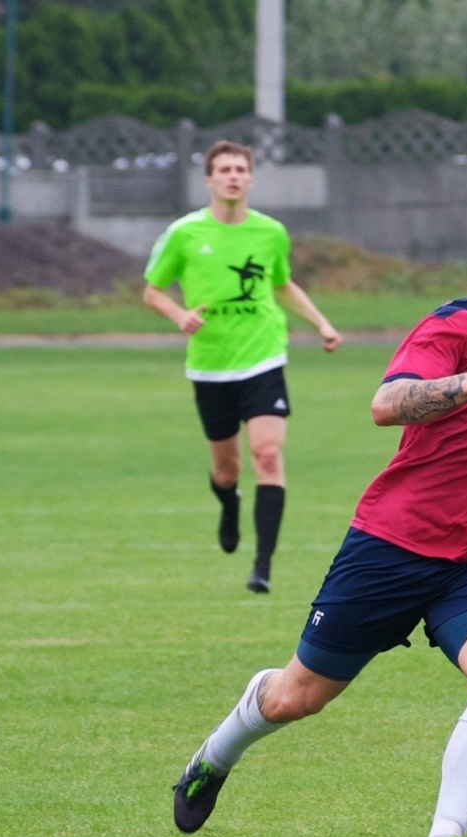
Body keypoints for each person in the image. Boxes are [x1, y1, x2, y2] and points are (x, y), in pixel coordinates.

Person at [171, 211, 467, 837]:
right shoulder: (453, 328)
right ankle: (214, 756)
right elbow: (386, 403)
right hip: (392, 545)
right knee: (295, 698)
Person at [142, 139, 342, 594]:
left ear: (250, 179)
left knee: (268, 455)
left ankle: (262, 566)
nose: (233, 175)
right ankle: (229, 505)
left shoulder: (270, 232)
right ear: (209, 179)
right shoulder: (184, 233)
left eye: (240, 169)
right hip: (211, 366)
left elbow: (282, 284)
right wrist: (179, 315)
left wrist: (320, 321)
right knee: (227, 469)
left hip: (263, 357)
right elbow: (152, 290)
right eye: (224, 169)